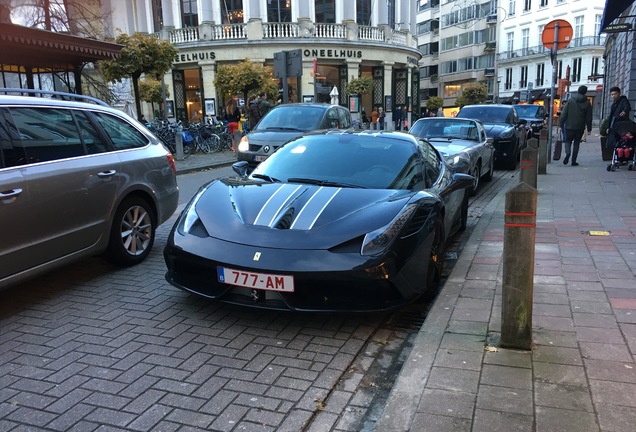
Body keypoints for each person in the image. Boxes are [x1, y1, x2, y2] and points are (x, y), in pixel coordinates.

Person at [558, 85, 592, 166]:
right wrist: (589, 129)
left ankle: (568, 153)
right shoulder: (587, 103)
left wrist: (560, 124)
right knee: (577, 143)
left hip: (569, 126)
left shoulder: (570, 100)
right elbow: (589, 117)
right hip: (580, 127)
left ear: (578, 90)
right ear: (585, 92)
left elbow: (564, 114)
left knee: (568, 141)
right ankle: (574, 161)